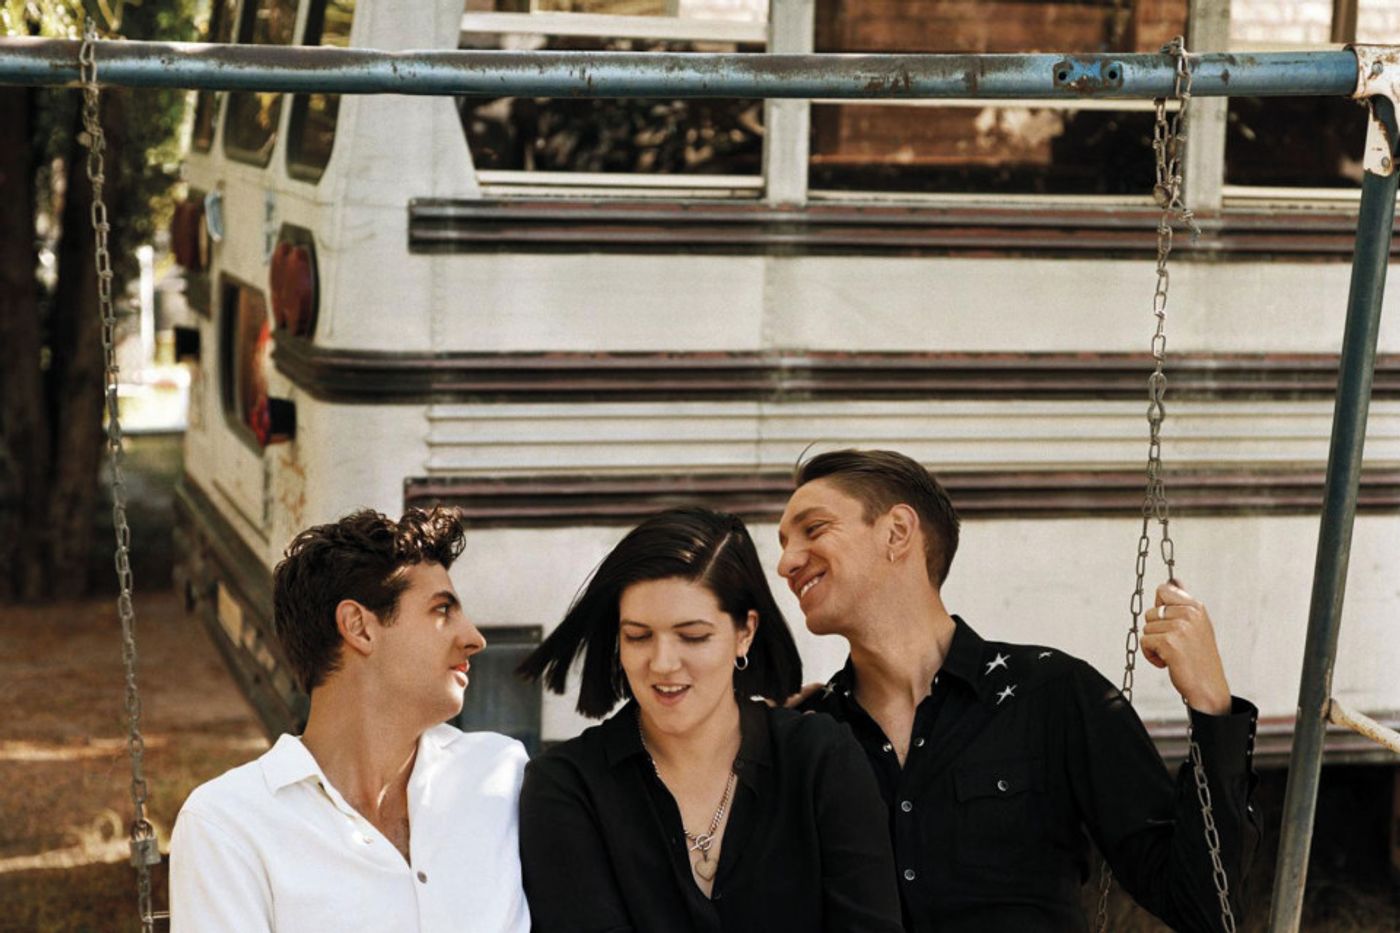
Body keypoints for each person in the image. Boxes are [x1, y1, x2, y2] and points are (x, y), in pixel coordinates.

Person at [777, 449, 1260, 933]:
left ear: (898, 532)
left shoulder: (1053, 695)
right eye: (784, 543)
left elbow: (1205, 909)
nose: (786, 563)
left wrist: (1212, 706)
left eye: (813, 529)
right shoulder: (806, 735)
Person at [516, 507, 904, 933]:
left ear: (745, 632)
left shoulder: (819, 759)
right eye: (638, 636)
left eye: (693, 636)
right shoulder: (566, 785)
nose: (662, 663)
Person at [169, 507, 530, 933]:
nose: (474, 638)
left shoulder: (501, 775)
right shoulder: (229, 826)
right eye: (442, 610)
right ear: (359, 627)